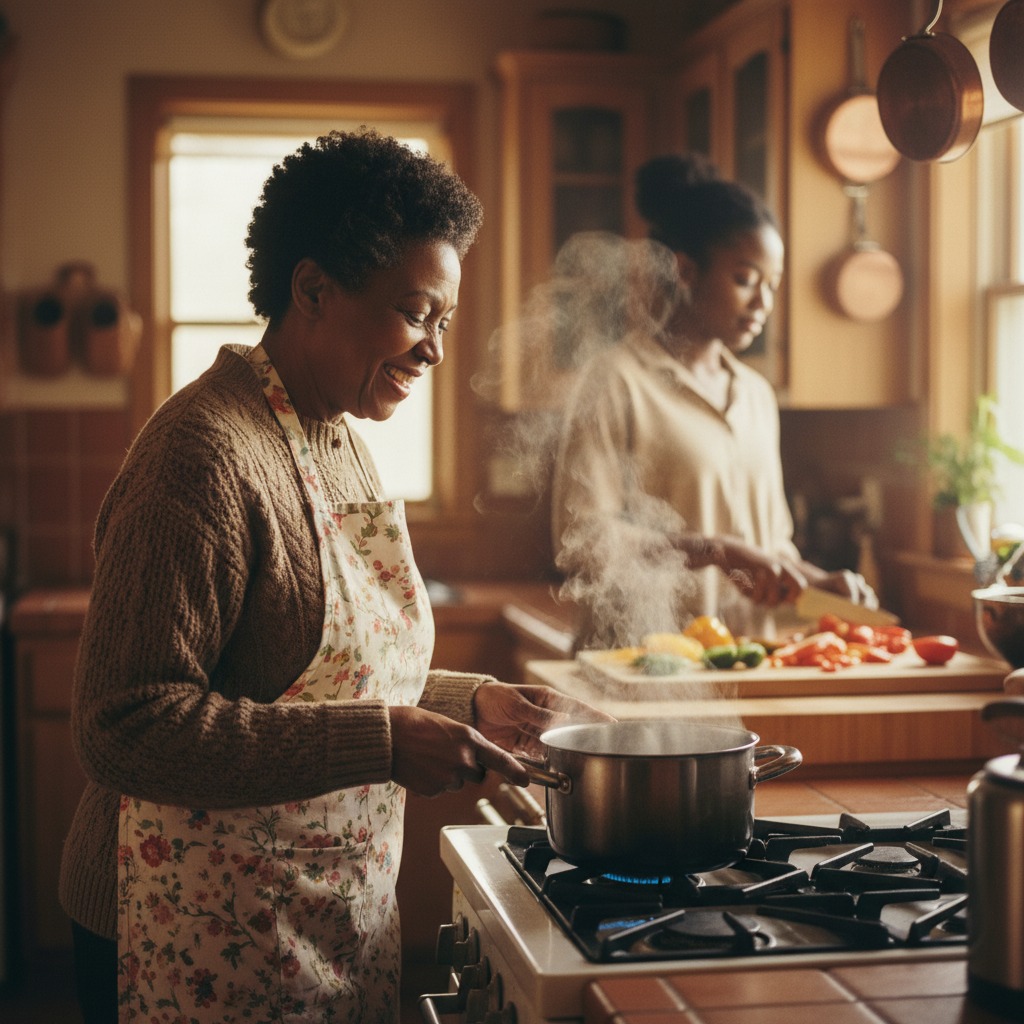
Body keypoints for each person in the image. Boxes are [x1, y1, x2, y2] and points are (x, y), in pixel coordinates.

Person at [58, 128, 609, 1024]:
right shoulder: (200, 455)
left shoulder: (334, 434)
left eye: (445, 322)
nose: (434, 348)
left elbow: (311, 672)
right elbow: (124, 727)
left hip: (312, 918)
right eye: (415, 312)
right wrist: (387, 743)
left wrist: (467, 703)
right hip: (179, 927)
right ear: (312, 289)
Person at [551, 153, 877, 648]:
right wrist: (717, 551)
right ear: (685, 269)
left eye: (772, 285)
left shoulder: (755, 396)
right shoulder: (616, 382)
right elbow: (585, 545)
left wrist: (814, 581)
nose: (763, 304)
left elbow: (767, 549)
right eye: (746, 279)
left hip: (744, 664)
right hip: (640, 662)